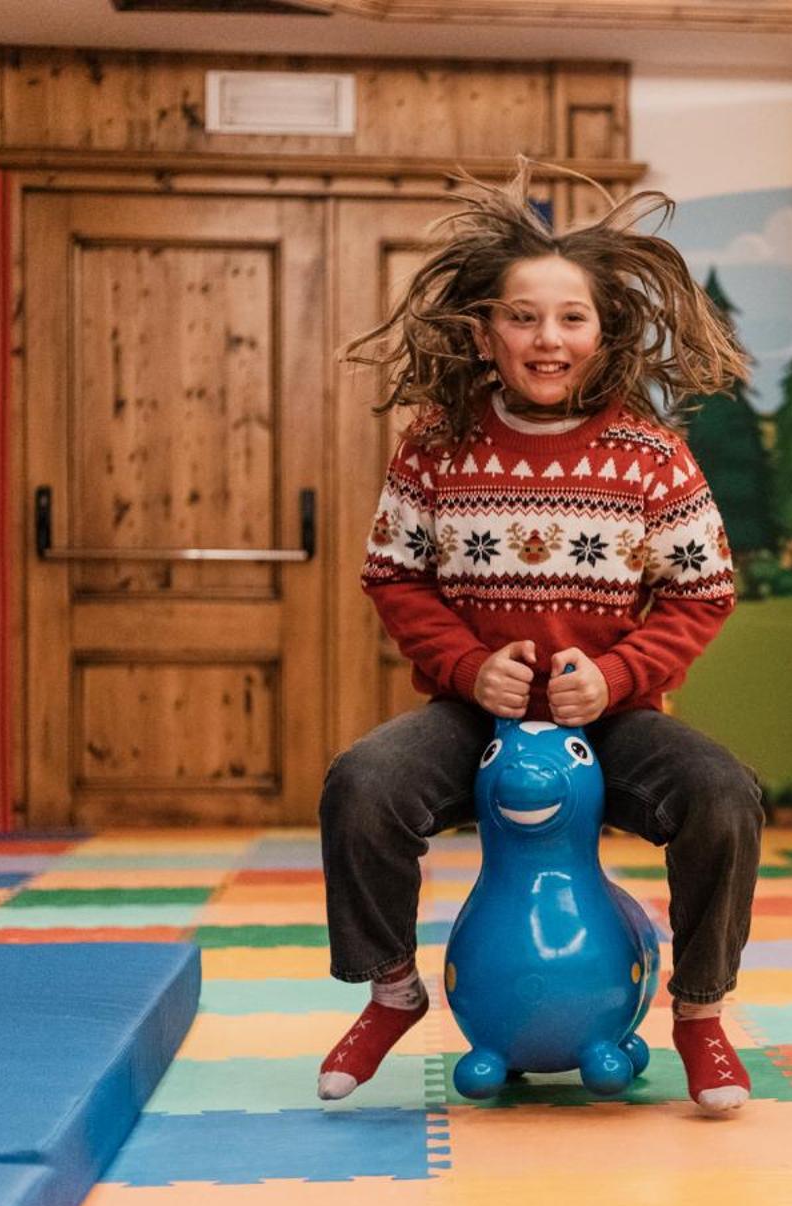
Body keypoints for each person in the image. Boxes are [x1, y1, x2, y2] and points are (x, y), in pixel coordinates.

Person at [317, 164, 763, 1113]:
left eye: (571, 319)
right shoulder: (436, 441)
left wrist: (615, 678)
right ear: (486, 331)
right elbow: (393, 573)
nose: (547, 339)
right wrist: (469, 668)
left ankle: (699, 1011)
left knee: (724, 793)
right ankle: (392, 989)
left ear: (602, 336)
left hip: (610, 720)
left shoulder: (650, 452)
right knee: (362, 785)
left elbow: (704, 587)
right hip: (471, 715)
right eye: (524, 317)